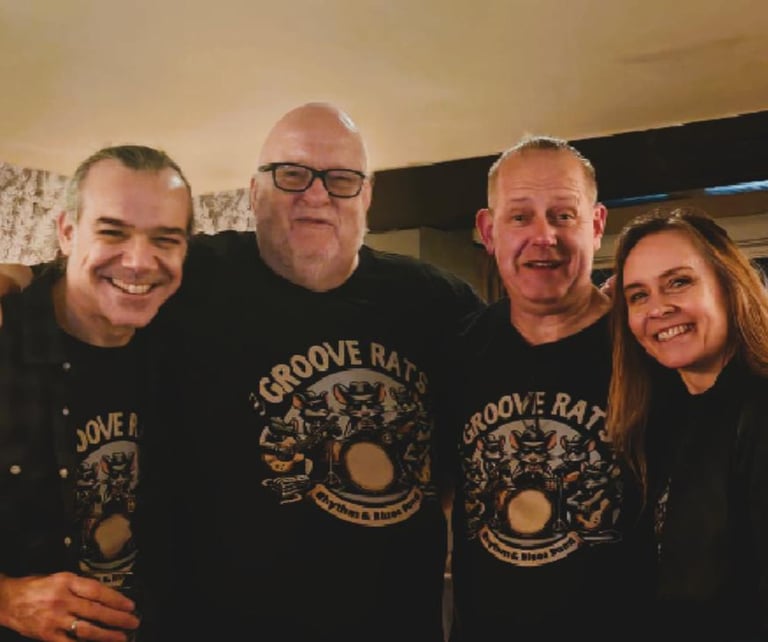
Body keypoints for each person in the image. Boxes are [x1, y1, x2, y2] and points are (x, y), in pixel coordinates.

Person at [134, 102, 486, 642]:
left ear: (367, 197)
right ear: (255, 191)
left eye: (341, 179)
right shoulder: (187, 278)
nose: (317, 195)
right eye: (292, 174)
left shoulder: (439, 302)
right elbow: (66, 291)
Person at [448, 135, 652, 640]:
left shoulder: (648, 349)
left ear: (597, 226)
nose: (544, 236)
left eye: (563, 215)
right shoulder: (460, 350)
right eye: (520, 217)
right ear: (488, 231)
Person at [0, 145, 192, 642]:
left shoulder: (189, 332)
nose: (139, 261)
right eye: (112, 232)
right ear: (67, 232)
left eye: (165, 239)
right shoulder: (7, 342)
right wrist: (7, 599)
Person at [606, 207, 768, 640]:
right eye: (638, 296)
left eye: (679, 282)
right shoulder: (660, 417)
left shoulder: (759, 410)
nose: (659, 308)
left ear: (729, 285)